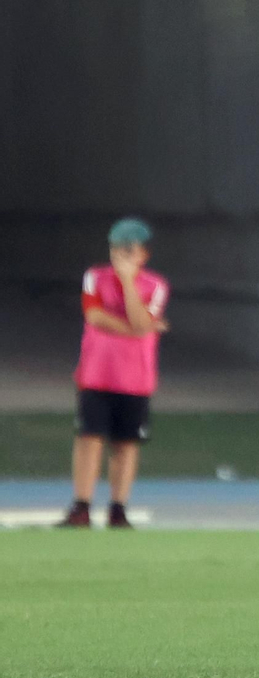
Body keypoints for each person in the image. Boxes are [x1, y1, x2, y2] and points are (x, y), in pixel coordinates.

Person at [59, 218, 170, 529]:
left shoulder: (155, 285)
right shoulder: (94, 277)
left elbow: (141, 318)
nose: (119, 255)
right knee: (89, 438)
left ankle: (118, 507)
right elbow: (95, 316)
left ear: (142, 253)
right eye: (115, 248)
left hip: (135, 378)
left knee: (125, 443)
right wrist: (140, 329)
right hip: (96, 372)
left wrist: (128, 283)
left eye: (127, 249)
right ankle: (82, 504)